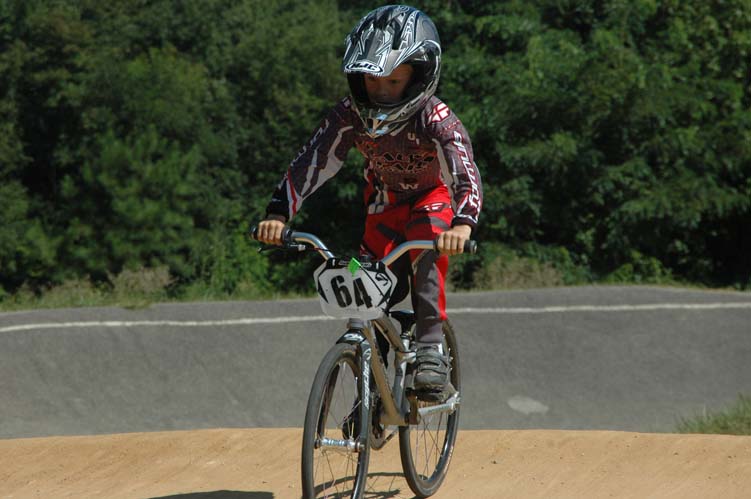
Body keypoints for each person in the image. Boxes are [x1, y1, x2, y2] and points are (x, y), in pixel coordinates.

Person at [256, 5, 482, 397]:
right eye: (371, 80)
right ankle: (371, 390)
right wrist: (278, 212)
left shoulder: (436, 119)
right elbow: (314, 160)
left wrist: (463, 224)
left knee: (426, 254)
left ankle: (430, 347)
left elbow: (465, 172)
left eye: (393, 80)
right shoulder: (349, 115)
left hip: (433, 201)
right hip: (383, 206)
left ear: (420, 75)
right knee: (359, 272)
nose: (380, 91)